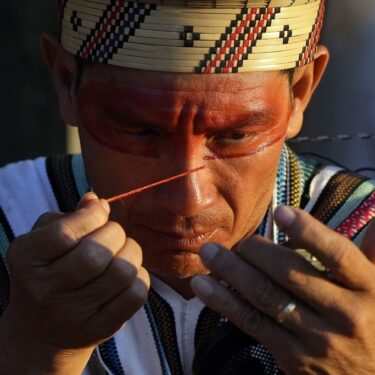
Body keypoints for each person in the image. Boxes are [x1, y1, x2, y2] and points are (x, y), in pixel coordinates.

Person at [0, 0, 375, 374]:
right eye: (141, 132)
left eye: (236, 135)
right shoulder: (10, 216)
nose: (189, 200)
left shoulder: (364, 250)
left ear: (300, 92)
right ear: (67, 83)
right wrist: (34, 350)